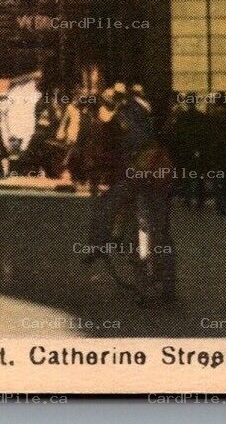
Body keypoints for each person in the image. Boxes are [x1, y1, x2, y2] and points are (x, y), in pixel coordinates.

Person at [82, 82, 174, 302]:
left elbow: (111, 149)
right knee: (160, 230)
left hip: (138, 174)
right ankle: (168, 284)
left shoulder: (123, 116)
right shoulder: (151, 114)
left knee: (119, 216)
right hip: (161, 173)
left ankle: (98, 244)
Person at [199, 91, 226, 214]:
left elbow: (206, 135)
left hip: (215, 149)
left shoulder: (212, 116)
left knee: (218, 177)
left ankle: (219, 203)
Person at [165, 92, 204, 207]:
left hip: (185, 149)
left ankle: (187, 198)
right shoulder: (201, 117)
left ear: (187, 102)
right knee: (199, 175)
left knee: (186, 175)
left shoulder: (182, 117)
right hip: (198, 149)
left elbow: (177, 134)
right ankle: (199, 200)